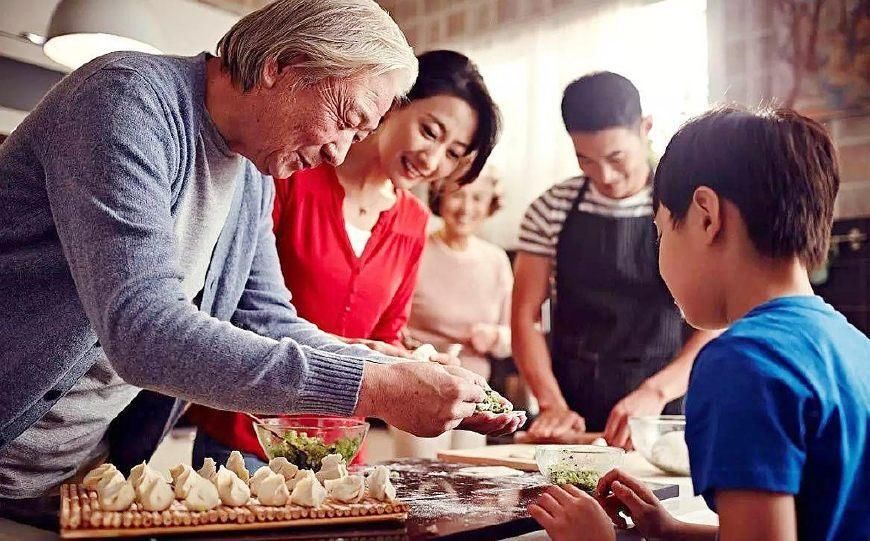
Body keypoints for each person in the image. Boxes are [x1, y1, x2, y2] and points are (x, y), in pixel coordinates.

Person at [0, 0, 520, 526]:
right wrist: (377, 388)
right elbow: (142, 330)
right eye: (344, 119)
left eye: (357, 136)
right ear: (282, 65)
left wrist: (402, 371)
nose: (339, 154)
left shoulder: (251, 174)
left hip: (76, 471)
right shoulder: (123, 100)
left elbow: (270, 320)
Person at [530, 106, 870, 541]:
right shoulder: (852, 344)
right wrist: (671, 531)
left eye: (660, 233)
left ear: (706, 216)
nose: (660, 254)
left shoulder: (744, 362)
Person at [186, 49, 506, 468]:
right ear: (394, 103)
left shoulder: (413, 221)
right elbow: (245, 309)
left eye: (453, 153)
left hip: (342, 446)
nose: (432, 160)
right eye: (430, 131)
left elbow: (388, 331)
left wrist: (422, 365)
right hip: (249, 436)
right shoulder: (292, 170)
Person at [512, 72, 718, 447]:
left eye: (615, 157)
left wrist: (657, 392)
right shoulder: (550, 208)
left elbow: (717, 320)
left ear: (645, 128)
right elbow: (525, 316)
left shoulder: (684, 206)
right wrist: (551, 404)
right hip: (574, 413)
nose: (603, 176)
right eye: (585, 160)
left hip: (664, 412)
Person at [395, 171, 513, 457]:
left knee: (469, 484)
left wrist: (495, 337)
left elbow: (513, 336)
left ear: (490, 204)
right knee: (419, 481)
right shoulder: (416, 249)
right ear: (440, 197)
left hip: (476, 395)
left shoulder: (496, 260)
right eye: (457, 194)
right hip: (420, 387)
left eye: (477, 198)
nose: (466, 207)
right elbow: (391, 320)